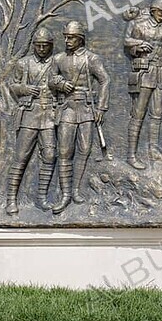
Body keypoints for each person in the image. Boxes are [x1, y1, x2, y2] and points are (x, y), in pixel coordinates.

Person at [49, 21, 110, 214]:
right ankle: (65, 194)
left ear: (80, 38)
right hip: (67, 107)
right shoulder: (58, 58)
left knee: (84, 150)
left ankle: (76, 190)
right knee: (65, 151)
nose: (67, 40)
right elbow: (51, 79)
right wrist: (60, 84)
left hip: (86, 108)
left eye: (71, 37)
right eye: (65, 37)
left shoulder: (91, 58)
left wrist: (101, 107)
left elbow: (104, 80)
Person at [4, 27, 57, 214]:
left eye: (46, 46)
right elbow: (13, 86)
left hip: (49, 115)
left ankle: (42, 197)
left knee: (50, 156)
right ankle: (11, 199)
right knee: (21, 157)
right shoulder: (24, 63)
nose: (42, 49)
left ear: (51, 46)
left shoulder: (56, 63)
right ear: (34, 45)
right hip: (29, 114)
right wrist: (25, 89)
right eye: (38, 45)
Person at [123, 0, 162, 169]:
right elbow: (127, 41)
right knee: (138, 113)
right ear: (152, 11)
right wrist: (139, 45)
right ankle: (131, 155)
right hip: (145, 72)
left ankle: (153, 150)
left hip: (160, 73)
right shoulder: (140, 25)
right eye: (161, 13)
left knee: (157, 112)